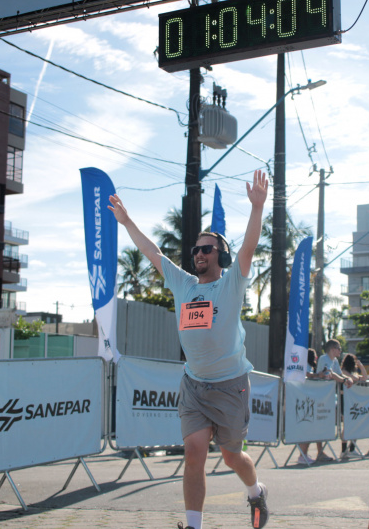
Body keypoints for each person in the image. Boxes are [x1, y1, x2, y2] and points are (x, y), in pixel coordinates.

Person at [108, 170, 269, 529]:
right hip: (194, 385)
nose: (198, 253)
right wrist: (126, 220)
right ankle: (193, 526)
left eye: (206, 248)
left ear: (220, 255)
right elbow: (151, 251)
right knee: (194, 453)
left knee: (231, 458)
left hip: (230, 385)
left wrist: (257, 207)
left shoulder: (232, 283)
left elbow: (249, 247)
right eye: (195, 249)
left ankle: (256, 491)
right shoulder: (183, 283)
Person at [310, 339, 352, 462]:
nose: (340, 351)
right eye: (339, 348)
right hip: (320, 395)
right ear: (332, 349)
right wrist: (344, 380)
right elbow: (329, 373)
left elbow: (339, 374)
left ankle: (321, 451)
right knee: (320, 421)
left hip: (328, 396)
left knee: (326, 422)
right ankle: (319, 451)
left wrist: (349, 379)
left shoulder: (335, 361)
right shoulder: (324, 358)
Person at [340, 353, 367, 456]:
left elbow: (364, 378)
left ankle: (352, 448)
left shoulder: (353, 373)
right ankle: (343, 450)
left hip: (353, 401)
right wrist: (355, 376)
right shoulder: (343, 372)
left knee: (356, 424)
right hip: (345, 400)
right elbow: (354, 379)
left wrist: (361, 366)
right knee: (347, 425)